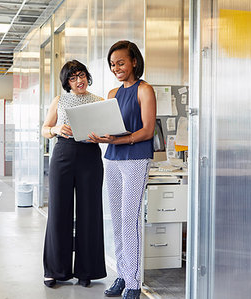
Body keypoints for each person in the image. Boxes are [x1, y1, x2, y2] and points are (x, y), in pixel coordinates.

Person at [88, 40, 156, 299]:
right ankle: (122, 274)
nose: (116, 67)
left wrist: (118, 140)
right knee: (116, 220)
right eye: (112, 64)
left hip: (136, 158)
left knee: (130, 220)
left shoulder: (145, 89)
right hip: (113, 158)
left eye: (121, 62)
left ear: (134, 62)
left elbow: (147, 130)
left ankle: (134, 283)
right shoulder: (112, 94)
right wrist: (100, 137)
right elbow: (110, 127)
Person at [42, 60, 107, 288]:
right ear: (67, 82)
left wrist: (102, 136)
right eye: (73, 77)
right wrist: (56, 129)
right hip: (63, 153)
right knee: (59, 211)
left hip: (90, 155)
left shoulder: (99, 101)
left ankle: (86, 270)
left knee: (90, 212)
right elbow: (44, 130)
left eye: (81, 75)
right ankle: (54, 270)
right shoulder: (59, 101)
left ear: (87, 77)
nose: (78, 81)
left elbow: (108, 131)